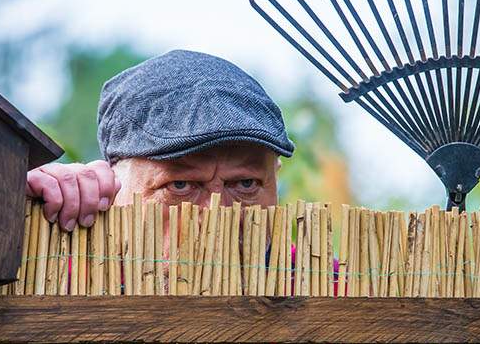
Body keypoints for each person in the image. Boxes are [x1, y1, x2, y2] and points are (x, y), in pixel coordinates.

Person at [26, 49, 295, 231]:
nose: (216, 218)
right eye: (180, 186)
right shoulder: (59, 277)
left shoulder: (324, 288)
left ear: (275, 177)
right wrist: (17, 208)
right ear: (113, 184)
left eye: (246, 184)